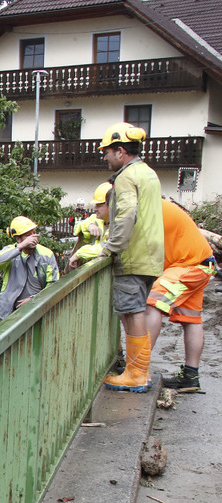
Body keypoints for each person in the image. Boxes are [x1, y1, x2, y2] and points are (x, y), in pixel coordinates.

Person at [98, 122, 165, 393]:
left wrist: (110, 247)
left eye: (107, 152)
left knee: (131, 312)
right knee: (135, 310)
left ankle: (137, 374)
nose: (105, 157)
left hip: (134, 256)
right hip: (150, 256)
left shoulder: (126, 177)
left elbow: (126, 215)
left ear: (120, 151)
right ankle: (139, 371)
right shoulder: (147, 172)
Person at [145, 199, 218, 392]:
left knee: (152, 303)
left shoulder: (147, 207)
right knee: (191, 319)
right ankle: (190, 377)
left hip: (189, 265)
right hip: (202, 263)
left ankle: (137, 367)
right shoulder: (155, 204)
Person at [0, 215, 60, 319]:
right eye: (28, 235)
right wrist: (20, 247)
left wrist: (34, 299)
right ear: (18, 238)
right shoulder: (11, 252)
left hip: (36, 310)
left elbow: (53, 284)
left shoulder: (46, 254)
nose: (33, 238)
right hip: (8, 311)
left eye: (34, 233)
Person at [68, 182, 112, 270]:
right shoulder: (96, 219)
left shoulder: (119, 224)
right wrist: (89, 225)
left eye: (99, 205)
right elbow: (77, 227)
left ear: (111, 205)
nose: (95, 208)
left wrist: (80, 253)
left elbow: (105, 247)